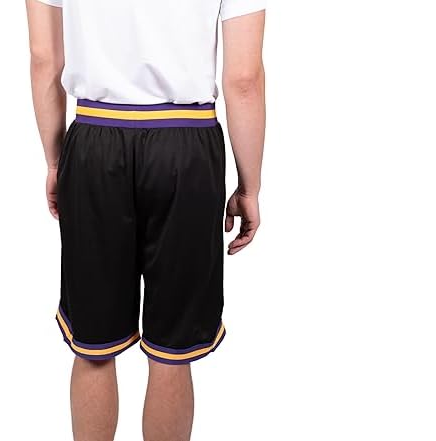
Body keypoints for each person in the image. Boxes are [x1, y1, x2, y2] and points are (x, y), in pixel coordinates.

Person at [26, 0, 266, 439]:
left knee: (94, 346)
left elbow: (45, 59)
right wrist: (249, 186)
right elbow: (244, 80)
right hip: (187, 147)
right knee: (172, 351)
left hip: (95, 140)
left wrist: (56, 163)